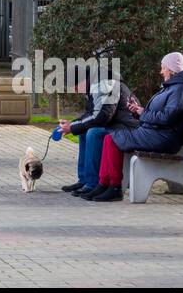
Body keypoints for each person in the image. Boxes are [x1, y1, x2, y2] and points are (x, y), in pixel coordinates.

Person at [85, 52, 183, 203]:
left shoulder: (181, 90)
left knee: (112, 139)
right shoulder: (174, 87)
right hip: (157, 133)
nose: (161, 71)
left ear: (171, 69)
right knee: (109, 137)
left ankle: (114, 187)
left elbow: (166, 118)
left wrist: (143, 113)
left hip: (164, 138)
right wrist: (138, 111)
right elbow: (162, 115)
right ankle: (104, 183)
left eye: (163, 68)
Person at [58, 62, 140, 196]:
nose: (75, 90)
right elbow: (91, 114)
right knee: (84, 133)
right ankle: (84, 179)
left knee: (93, 133)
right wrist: (72, 124)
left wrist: (73, 127)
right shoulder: (95, 85)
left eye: (75, 86)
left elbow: (101, 116)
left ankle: (92, 182)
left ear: (82, 80)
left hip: (126, 127)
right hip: (116, 124)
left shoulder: (105, 84)